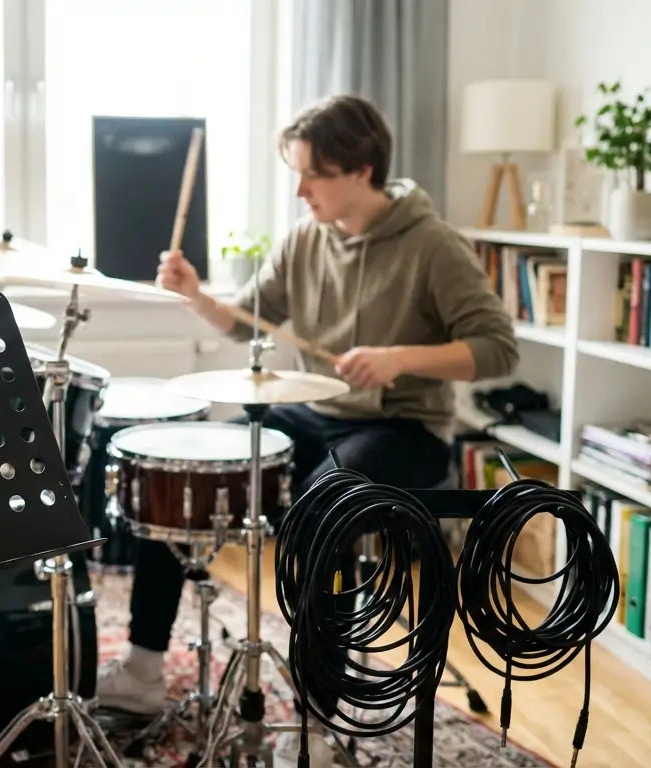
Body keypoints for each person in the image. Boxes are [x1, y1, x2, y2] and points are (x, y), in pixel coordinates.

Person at [96, 93, 519, 734]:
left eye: (313, 175)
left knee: (324, 508)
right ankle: (143, 669)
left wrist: (400, 358)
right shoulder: (303, 239)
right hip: (316, 415)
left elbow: (498, 349)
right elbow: (244, 321)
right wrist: (195, 294)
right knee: (181, 470)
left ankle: (321, 709)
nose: (299, 191)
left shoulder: (433, 245)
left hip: (403, 427)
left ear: (363, 169)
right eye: (296, 173)